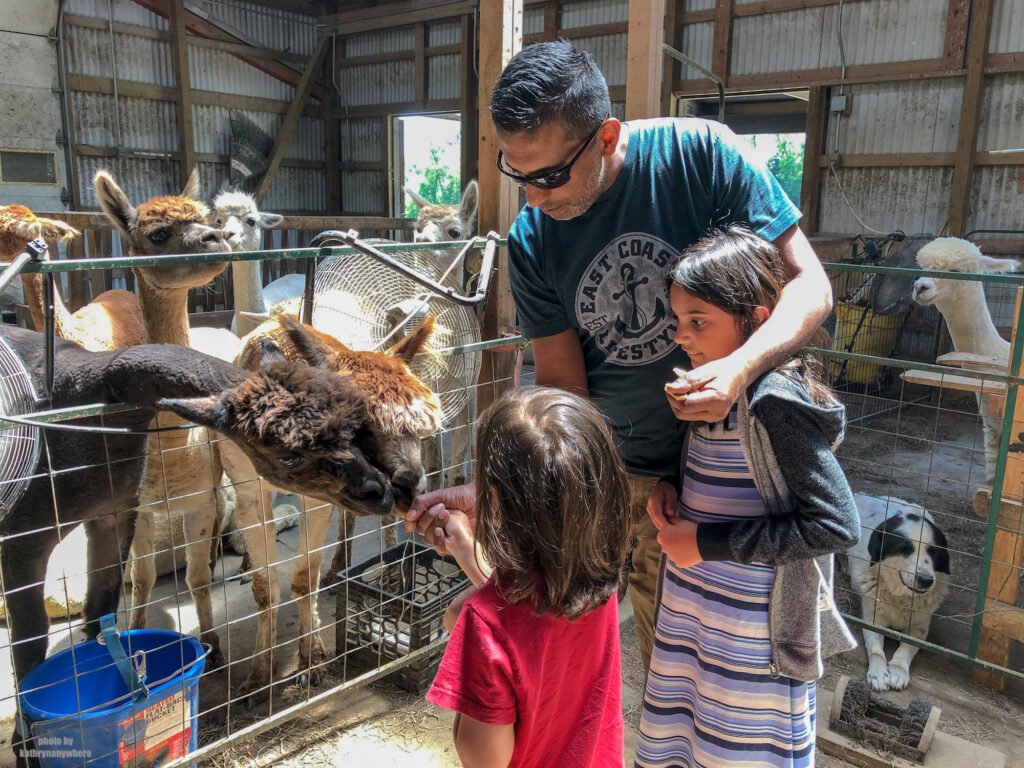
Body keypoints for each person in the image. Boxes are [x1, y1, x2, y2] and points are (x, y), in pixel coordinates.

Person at [409, 40, 834, 673]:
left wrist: (740, 368)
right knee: (659, 668)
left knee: (727, 666)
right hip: (617, 475)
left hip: (728, 468)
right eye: (516, 173)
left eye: (550, 176)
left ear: (606, 137)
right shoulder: (532, 239)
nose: (533, 198)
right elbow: (564, 395)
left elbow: (812, 286)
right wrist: (500, 492)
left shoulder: (702, 158)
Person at [635, 226, 859, 768]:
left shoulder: (775, 400)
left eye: (698, 322)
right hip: (698, 615)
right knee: (689, 740)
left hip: (753, 639)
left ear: (758, 320)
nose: (681, 337)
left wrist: (707, 541)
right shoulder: (709, 389)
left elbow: (836, 524)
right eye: (678, 320)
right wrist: (672, 487)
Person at [422, 386, 632, 768]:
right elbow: (488, 618)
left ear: (494, 497)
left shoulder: (485, 625)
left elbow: (485, 759)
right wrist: (469, 555)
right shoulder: (600, 575)